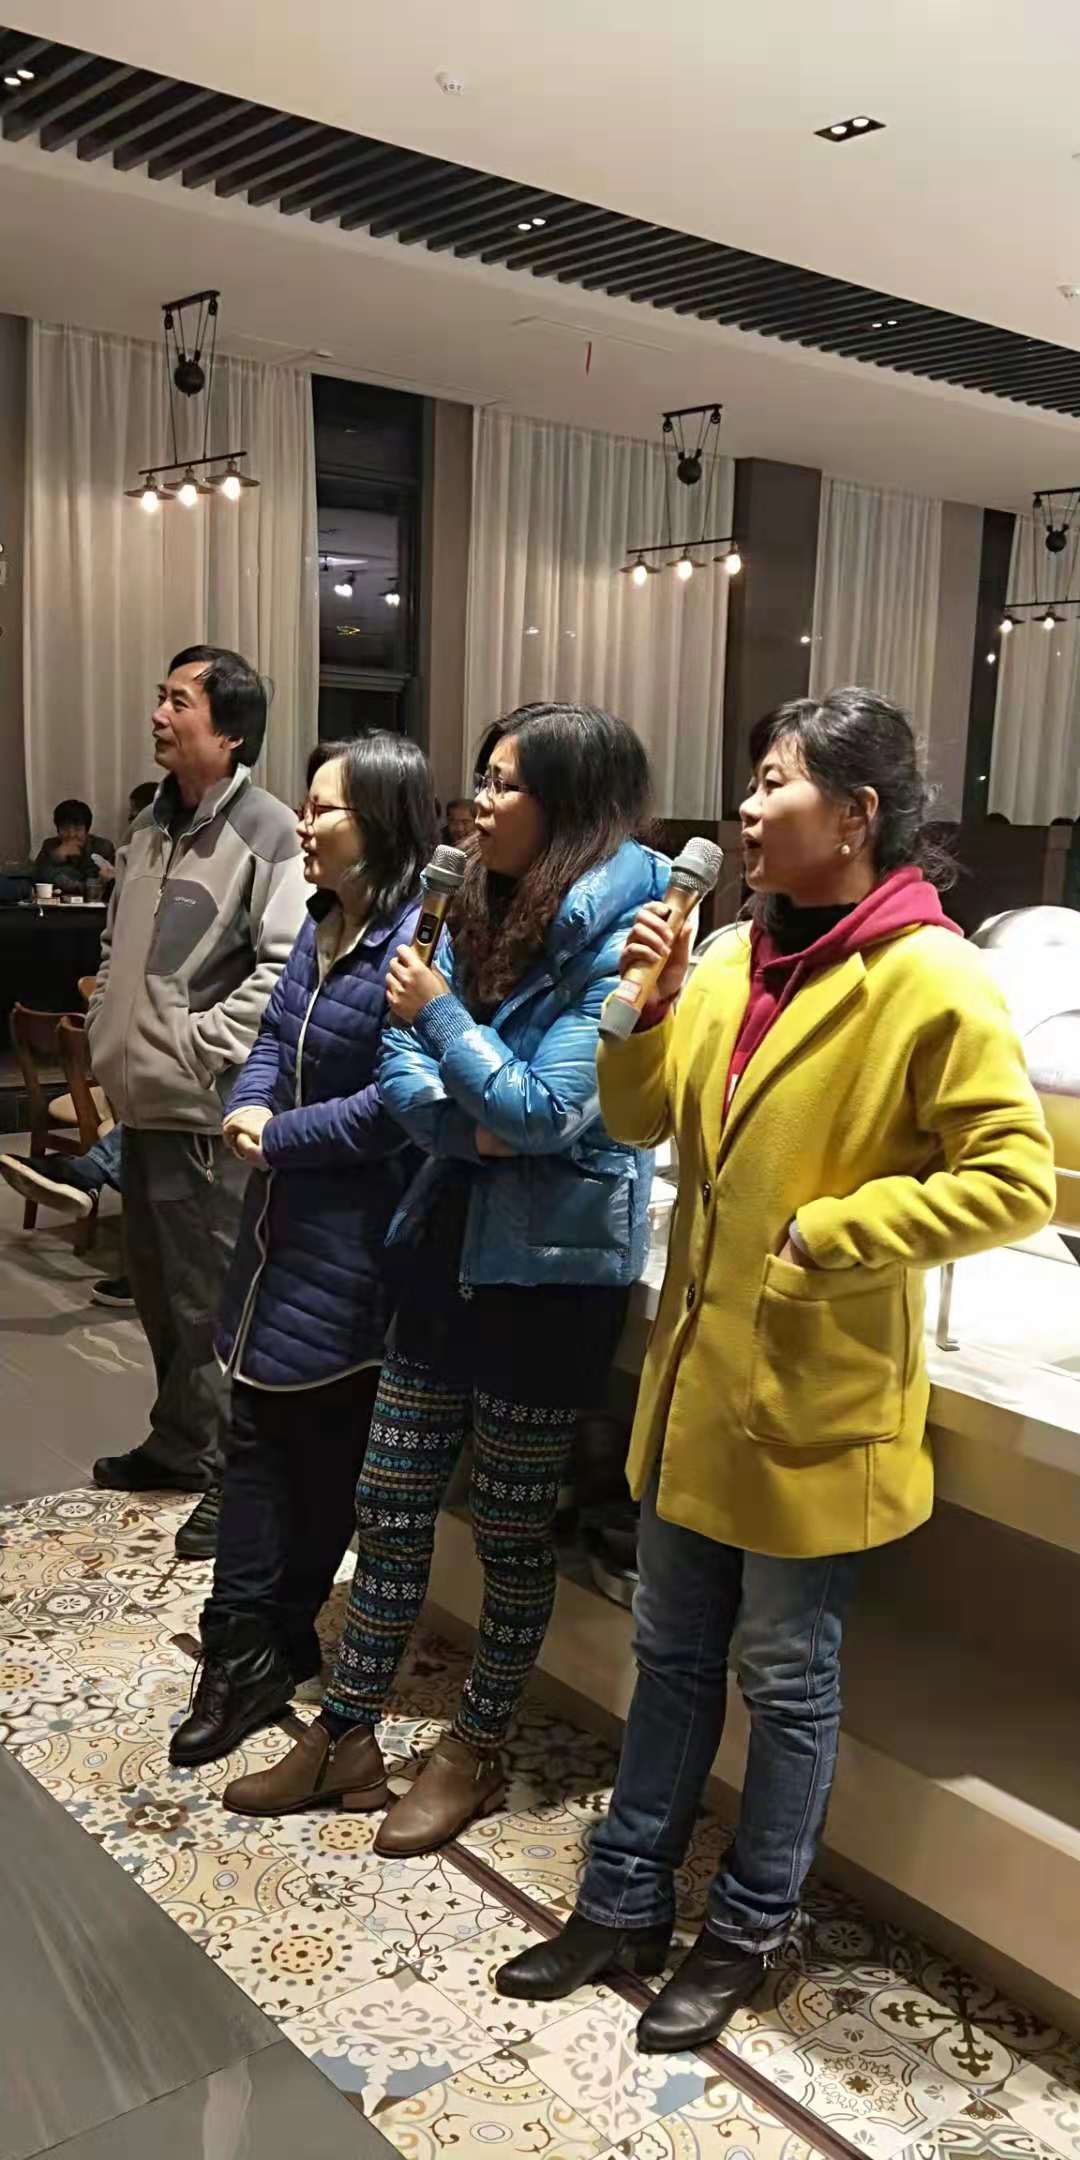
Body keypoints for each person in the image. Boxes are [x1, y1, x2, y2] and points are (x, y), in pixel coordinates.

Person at [495, 688, 1055, 2050]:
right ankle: (624, 1900)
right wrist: (642, 1005)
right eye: (748, 782)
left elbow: (1014, 1179)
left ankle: (752, 1927)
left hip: (814, 1398)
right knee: (670, 1651)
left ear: (856, 816)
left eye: (776, 784)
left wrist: (833, 1234)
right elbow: (636, 1116)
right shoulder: (732, 952)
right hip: (697, 1388)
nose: (744, 809)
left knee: (787, 1680)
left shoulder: (932, 979)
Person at [223, 702, 668, 1847]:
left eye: (508, 782)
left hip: (545, 1277)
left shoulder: (633, 932)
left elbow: (551, 1110)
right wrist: (466, 1119)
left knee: (511, 1533)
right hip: (440, 1241)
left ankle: (474, 1747)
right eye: (483, 776)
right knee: (391, 1507)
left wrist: (447, 1027)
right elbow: (403, 1069)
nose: (481, 800)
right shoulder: (467, 898)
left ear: (570, 805)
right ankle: (347, 1731)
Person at [169, 735, 439, 1766]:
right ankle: (256, 1642)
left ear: (383, 823)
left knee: (306, 1457)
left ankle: (255, 1645)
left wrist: (280, 1135)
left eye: (325, 809)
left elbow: (397, 1106)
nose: (304, 823)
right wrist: (250, 1106)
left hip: (353, 1242)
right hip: (279, 1232)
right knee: (265, 1444)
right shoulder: (326, 924)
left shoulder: (418, 942)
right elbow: (275, 1040)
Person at [85, 646, 308, 1561]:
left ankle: (229, 1475)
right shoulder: (149, 823)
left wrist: (200, 1044)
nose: (159, 714)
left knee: (210, 1302)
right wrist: (107, 1012)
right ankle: (179, 1443)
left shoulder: (269, 830)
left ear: (231, 731)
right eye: (161, 697)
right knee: (154, 1288)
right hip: (141, 1104)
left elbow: (286, 964)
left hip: (204, 1114)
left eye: (180, 701)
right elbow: (119, 941)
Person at [34, 800, 115, 895]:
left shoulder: (102, 847)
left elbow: (108, 884)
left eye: (77, 829)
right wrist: (56, 856)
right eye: (65, 828)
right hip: (57, 902)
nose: (71, 835)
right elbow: (36, 877)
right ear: (57, 829)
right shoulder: (50, 845)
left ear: (87, 830)